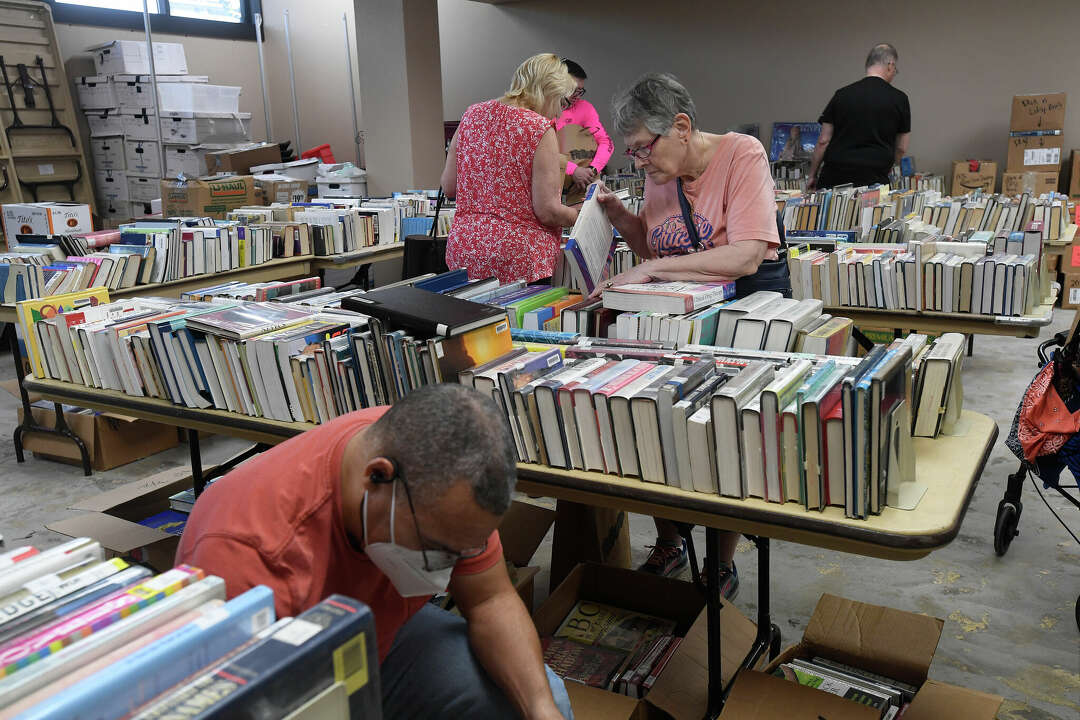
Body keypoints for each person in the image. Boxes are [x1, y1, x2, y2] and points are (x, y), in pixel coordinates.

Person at [176, 384, 573, 720]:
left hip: (378, 638)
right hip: (291, 680)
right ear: (377, 477)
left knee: (542, 698)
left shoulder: (442, 475)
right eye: (435, 548)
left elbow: (491, 599)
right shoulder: (247, 558)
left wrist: (541, 710)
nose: (445, 572)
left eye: (463, 550)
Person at [593, 73, 789, 596]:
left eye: (642, 150)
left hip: (742, 310)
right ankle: (670, 539)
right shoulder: (661, 173)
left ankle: (721, 561)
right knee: (645, 414)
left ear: (681, 127)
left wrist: (654, 272)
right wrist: (620, 219)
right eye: (632, 155)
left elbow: (746, 254)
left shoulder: (741, 155)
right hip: (680, 312)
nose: (640, 164)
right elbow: (658, 251)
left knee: (720, 428)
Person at [442, 53, 580, 283]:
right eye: (561, 102)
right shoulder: (538, 128)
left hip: (465, 251)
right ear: (548, 93)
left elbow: (449, 187)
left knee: (475, 319)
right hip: (517, 257)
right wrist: (579, 216)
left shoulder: (472, 115)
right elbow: (548, 211)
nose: (559, 112)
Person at [807, 44, 911, 190]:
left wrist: (812, 175)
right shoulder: (900, 99)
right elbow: (901, 147)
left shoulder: (841, 94)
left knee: (834, 213)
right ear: (890, 65)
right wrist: (891, 165)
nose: (894, 73)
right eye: (895, 70)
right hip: (874, 178)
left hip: (835, 177)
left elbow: (823, 141)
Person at [556, 59, 614, 194]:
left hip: (582, 185)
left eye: (580, 91)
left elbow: (606, 142)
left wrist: (592, 171)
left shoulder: (585, 108)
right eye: (573, 90)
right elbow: (540, 151)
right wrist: (573, 170)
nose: (577, 96)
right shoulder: (543, 108)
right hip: (552, 183)